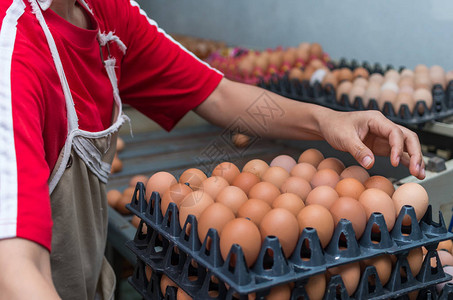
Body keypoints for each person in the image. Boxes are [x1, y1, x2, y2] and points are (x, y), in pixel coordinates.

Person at [0, 0, 425, 299]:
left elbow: (217, 95)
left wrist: (325, 120)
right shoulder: (15, 50)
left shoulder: (105, 15)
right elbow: (14, 272)